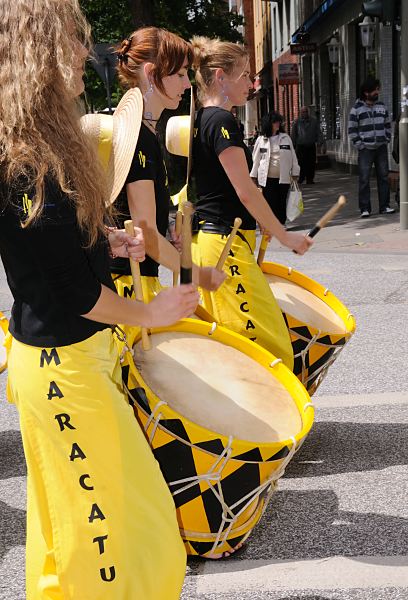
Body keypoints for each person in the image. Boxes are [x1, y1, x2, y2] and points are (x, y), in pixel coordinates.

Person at [0, 1, 200, 597]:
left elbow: (50, 253)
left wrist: (102, 237)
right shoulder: (24, 158)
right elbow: (71, 291)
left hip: (70, 365)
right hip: (64, 370)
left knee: (73, 542)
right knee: (116, 540)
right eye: (70, 41)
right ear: (39, 51)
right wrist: (149, 311)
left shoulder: (39, 142)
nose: (84, 56)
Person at [190, 36, 313, 370]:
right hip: (224, 244)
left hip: (215, 241)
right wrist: (286, 236)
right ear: (220, 77)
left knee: (235, 344)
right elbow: (245, 190)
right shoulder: (221, 121)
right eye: (244, 75)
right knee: (269, 347)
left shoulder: (201, 119)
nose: (252, 82)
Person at [111, 27, 224, 311]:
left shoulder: (142, 132)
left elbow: (146, 226)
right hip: (128, 286)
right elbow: (144, 233)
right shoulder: (138, 137)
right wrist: (197, 274)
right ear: (151, 74)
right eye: (180, 74)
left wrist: (164, 228)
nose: (187, 84)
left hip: (129, 283)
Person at [348, 76, 395, 218]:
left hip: (381, 147)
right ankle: (364, 208)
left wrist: (386, 138)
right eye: (375, 90)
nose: (377, 92)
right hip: (365, 149)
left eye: (377, 89)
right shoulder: (356, 109)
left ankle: (384, 206)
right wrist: (360, 145)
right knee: (364, 179)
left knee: (384, 177)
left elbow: (387, 124)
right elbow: (351, 130)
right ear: (366, 92)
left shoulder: (382, 106)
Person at [250, 111, 300, 225]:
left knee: (281, 201)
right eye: (275, 122)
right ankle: (272, 224)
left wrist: (295, 171)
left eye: (279, 122)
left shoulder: (285, 138)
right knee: (270, 202)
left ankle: (281, 223)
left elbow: (293, 156)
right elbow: (256, 159)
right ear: (268, 124)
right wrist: (253, 175)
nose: (278, 124)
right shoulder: (261, 139)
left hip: (283, 177)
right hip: (267, 178)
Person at [291, 106, 323, 184]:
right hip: (301, 146)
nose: (304, 113)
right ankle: (301, 178)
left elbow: (318, 132)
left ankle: (310, 179)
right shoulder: (297, 122)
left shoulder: (314, 121)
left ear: (308, 112)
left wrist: (319, 143)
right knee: (301, 163)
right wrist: (293, 145)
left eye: (306, 112)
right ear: (300, 113)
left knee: (311, 163)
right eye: (303, 112)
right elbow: (294, 134)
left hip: (311, 145)